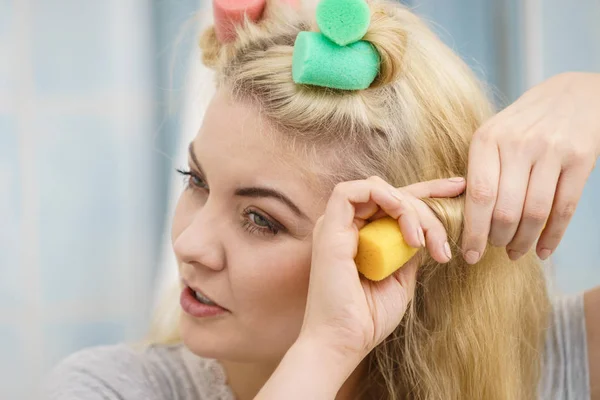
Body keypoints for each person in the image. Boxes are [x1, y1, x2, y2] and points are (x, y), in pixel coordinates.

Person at [44, 1, 599, 399]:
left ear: (394, 242)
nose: (190, 245)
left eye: (260, 219)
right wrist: (325, 350)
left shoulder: (560, 363)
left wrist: (591, 93)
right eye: (197, 180)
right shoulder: (107, 387)